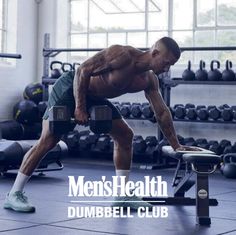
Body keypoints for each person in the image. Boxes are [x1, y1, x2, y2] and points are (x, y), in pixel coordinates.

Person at [3, 37, 196, 213]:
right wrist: (80, 107)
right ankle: (14, 194)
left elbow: (161, 112)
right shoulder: (121, 55)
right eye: (166, 62)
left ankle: (122, 196)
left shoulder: (148, 80)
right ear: (154, 53)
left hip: (95, 97)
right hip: (72, 86)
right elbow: (83, 70)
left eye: (171, 65)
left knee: (125, 135)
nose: (167, 68)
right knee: (49, 139)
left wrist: (175, 144)